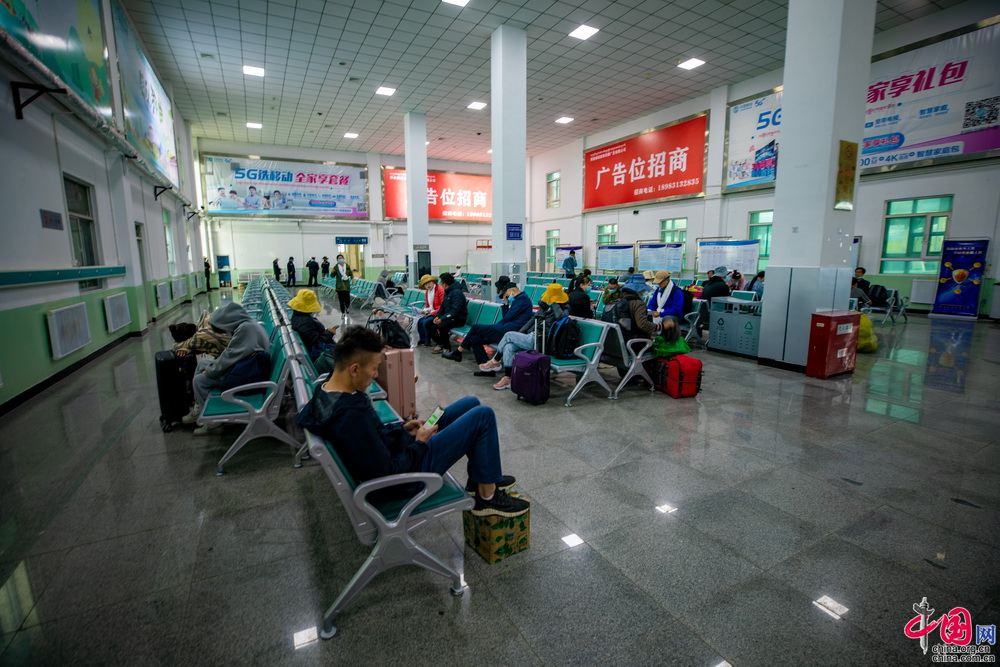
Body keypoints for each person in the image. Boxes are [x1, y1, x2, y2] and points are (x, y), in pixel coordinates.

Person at [295, 326, 529, 516]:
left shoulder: (328, 389)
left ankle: (481, 477)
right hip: (404, 479)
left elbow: (372, 440)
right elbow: (387, 471)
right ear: (354, 369)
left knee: (470, 403)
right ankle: (487, 496)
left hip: (399, 454)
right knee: (483, 415)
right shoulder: (350, 417)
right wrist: (419, 443)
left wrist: (403, 429)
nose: (376, 375)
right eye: (374, 368)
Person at [182, 303, 269, 435]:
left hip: (249, 375)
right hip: (248, 366)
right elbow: (232, 354)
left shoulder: (245, 329)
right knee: (203, 364)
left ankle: (213, 424)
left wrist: (210, 371)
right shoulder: (248, 324)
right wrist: (210, 367)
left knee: (199, 381)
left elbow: (230, 356)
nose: (223, 332)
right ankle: (199, 408)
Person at [481, 283, 570, 390]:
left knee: (508, 335)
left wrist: (555, 303)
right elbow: (532, 321)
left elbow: (560, 317)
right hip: (531, 336)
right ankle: (508, 378)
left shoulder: (565, 307)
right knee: (508, 346)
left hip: (541, 341)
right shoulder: (544, 307)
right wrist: (520, 333)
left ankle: (495, 361)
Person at [443, 283, 532, 363]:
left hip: (509, 331)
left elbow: (507, 318)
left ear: (512, 290)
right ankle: (485, 368)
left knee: (475, 327)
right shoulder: (518, 300)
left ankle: (458, 352)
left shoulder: (522, 301)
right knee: (475, 339)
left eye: (507, 295)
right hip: (506, 329)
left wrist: (494, 326)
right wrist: (506, 303)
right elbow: (507, 317)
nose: (507, 297)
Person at [615, 274, 670, 341]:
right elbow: (643, 324)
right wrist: (662, 326)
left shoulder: (618, 300)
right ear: (639, 290)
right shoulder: (638, 304)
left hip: (617, 340)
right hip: (633, 341)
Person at [427, 273, 467, 354]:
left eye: (441, 283)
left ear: (445, 284)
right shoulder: (447, 292)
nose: (440, 285)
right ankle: (440, 343)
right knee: (429, 324)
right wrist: (438, 316)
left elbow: (455, 311)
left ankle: (447, 347)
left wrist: (442, 319)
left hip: (458, 319)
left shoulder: (457, 293)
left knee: (442, 326)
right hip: (449, 317)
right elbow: (443, 307)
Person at [288, 289, 338, 355]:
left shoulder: (297, 317)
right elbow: (318, 342)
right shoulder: (305, 322)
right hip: (319, 353)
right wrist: (329, 333)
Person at [415, 274, 444, 346]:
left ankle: (427, 341)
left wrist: (433, 313)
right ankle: (423, 339)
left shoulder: (439, 289)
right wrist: (424, 311)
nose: (428, 285)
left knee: (426, 322)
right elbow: (428, 305)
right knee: (419, 321)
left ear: (433, 282)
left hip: (440, 313)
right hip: (431, 311)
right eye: (425, 284)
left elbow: (443, 306)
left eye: (429, 283)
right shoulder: (427, 292)